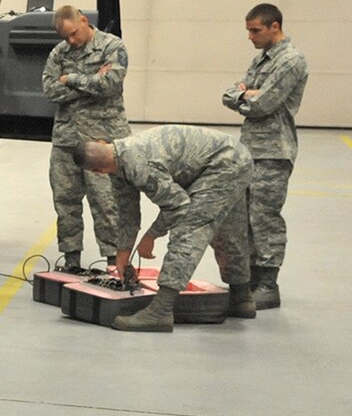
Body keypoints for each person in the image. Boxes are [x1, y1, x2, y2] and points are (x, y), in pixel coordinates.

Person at [75, 126, 258, 332]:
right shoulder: (117, 159)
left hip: (225, 164)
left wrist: (150, 236)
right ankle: (242, 299)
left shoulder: (140, 165)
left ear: (97, 172)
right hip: (232, 157)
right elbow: (128, 214)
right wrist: (123, 255)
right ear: (102, 142)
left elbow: (178, 205)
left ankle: (160, 312)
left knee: (189, 229)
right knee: (229, 230)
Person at [223, 4, 309, 309]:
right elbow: (230, 93)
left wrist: (245, 95)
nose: (250, 36)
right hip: (250, 149)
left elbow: (264, 105)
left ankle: (268, 285)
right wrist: (246, 93)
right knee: (244, 217)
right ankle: (250, 279)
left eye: (255, 30)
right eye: (248, 30)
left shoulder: (290, 60)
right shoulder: (262, 58)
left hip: (273, 151)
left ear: (275, 26)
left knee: (265, 218)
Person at [41, 3, 131, 273]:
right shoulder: (60, 52)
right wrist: (88, 82)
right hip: (66, 139)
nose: (71, 41)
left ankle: (115, 264)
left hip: (102, 140)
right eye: (65, 37)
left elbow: (109, 85)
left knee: (106, 202)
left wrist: (71, 79)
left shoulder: (112, 47)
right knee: (65, 201)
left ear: (83, 21)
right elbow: (50, 91)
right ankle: (71, 260)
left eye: (73, 34)